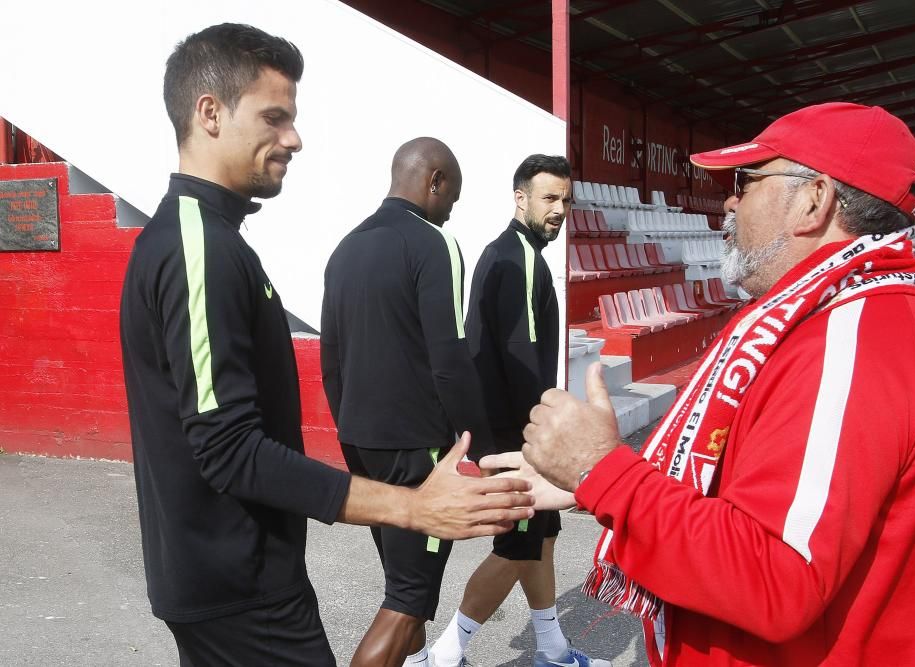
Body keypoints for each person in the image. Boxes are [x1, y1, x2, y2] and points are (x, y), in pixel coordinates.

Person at [482, 102, 915, 666]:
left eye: (747, 181)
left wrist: (607, 474)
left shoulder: (853, 337)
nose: (729, 201)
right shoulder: (843, 318)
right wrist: (586, 482)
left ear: (814, 199)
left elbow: (776, 576)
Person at [119, 24, 533, 667]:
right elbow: (227, 448)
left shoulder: (226, 240)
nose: (294, 138)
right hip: (238, 588)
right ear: (209, 113)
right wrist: (416, 507)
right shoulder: (196, 246)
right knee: (407, 599)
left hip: (235, 574)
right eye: (275, 117)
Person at [321, 137, 498, 667]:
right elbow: (450, 357)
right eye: (453, 197)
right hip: (416, 449)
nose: (451, 210)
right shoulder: (432, 243)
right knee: (408, 599)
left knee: (405, 587)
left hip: (360, 440)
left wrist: (348, 426)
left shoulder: (346, 246)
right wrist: (478, 446)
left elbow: (331, 358)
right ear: (435, 180)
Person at [430, 155, 609, 667]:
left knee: (540, 540)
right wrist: (546, 448)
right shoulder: (521, 257)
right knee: (516, 550)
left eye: (566, 201)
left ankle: (551, 651)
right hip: (516, 439)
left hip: (507, 432)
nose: (559, 210)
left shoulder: (505, 253)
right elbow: (524, 361)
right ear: (520, 198)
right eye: (549, 198)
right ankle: (446, 655)